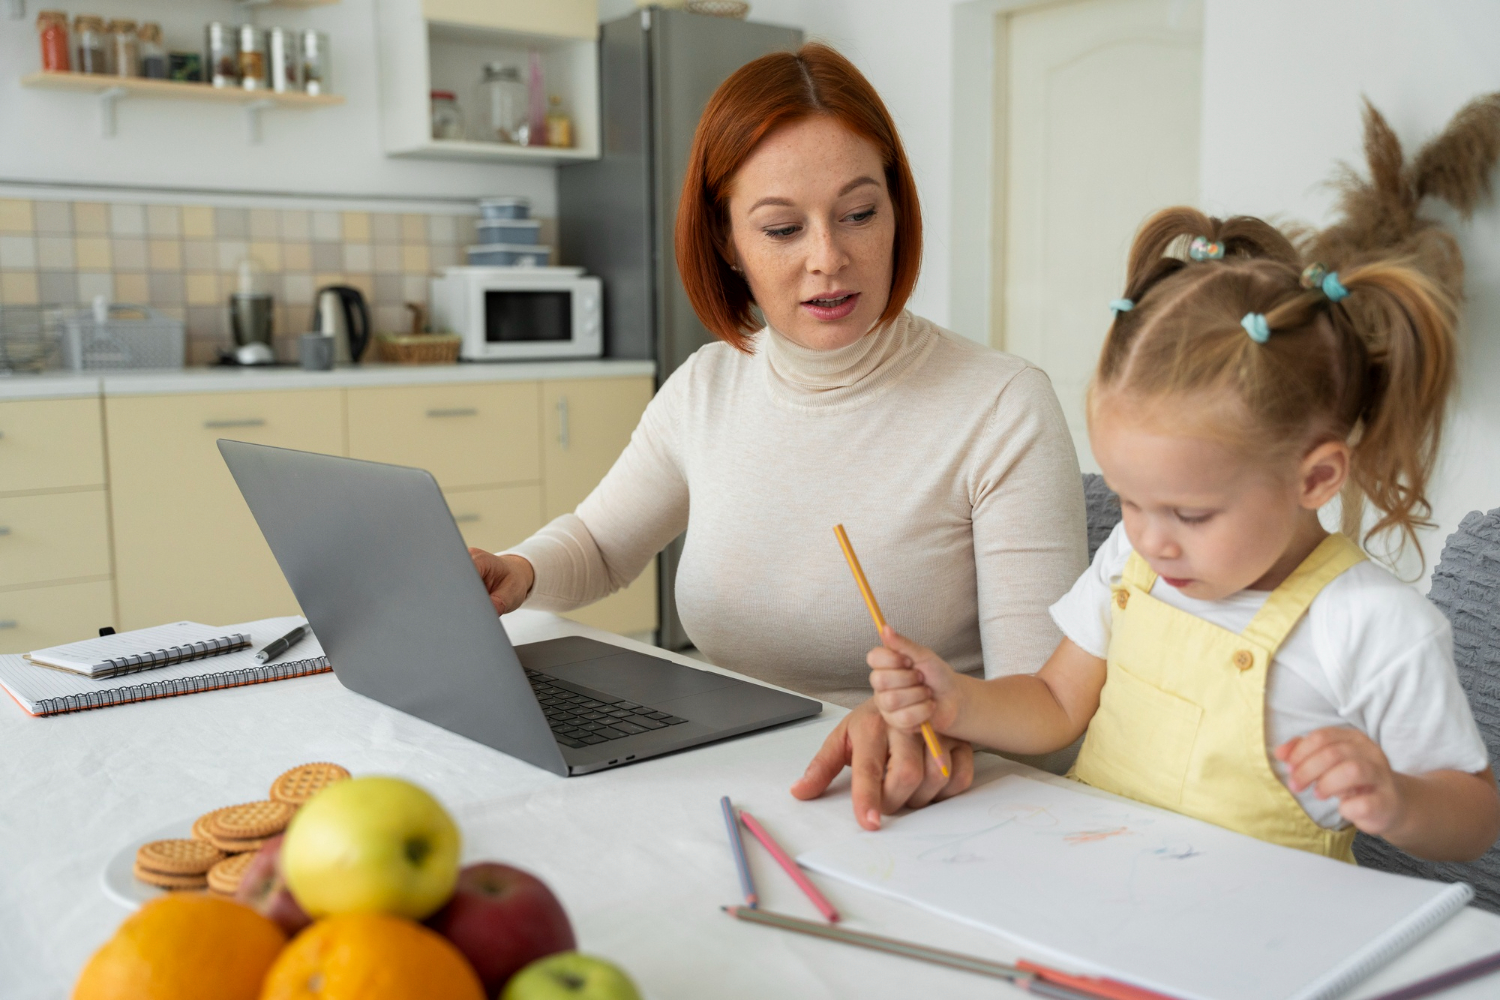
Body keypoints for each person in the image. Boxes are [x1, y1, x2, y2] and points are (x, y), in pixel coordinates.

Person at [866, 96, 1500, 861]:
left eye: (1190, 514)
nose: (1151, 539)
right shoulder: (1132, 564)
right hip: (1093, 880)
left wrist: (1396, 798)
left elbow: (1474, 817)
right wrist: (956, 700)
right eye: (1130, 501)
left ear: (1317, 477)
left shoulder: (1373, 624)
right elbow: (1056, 701)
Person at [469, 43, 1087, 829]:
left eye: (859, 214)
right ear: (727, 241)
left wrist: (933, 728)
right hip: (731, 785)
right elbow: (597, 545)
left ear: (898, 211)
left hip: (919, 809)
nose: (829, 258)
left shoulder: (1002, 406)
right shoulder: (708, 384)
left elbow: (1049, 725)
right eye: (783, 228)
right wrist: (518, 572)